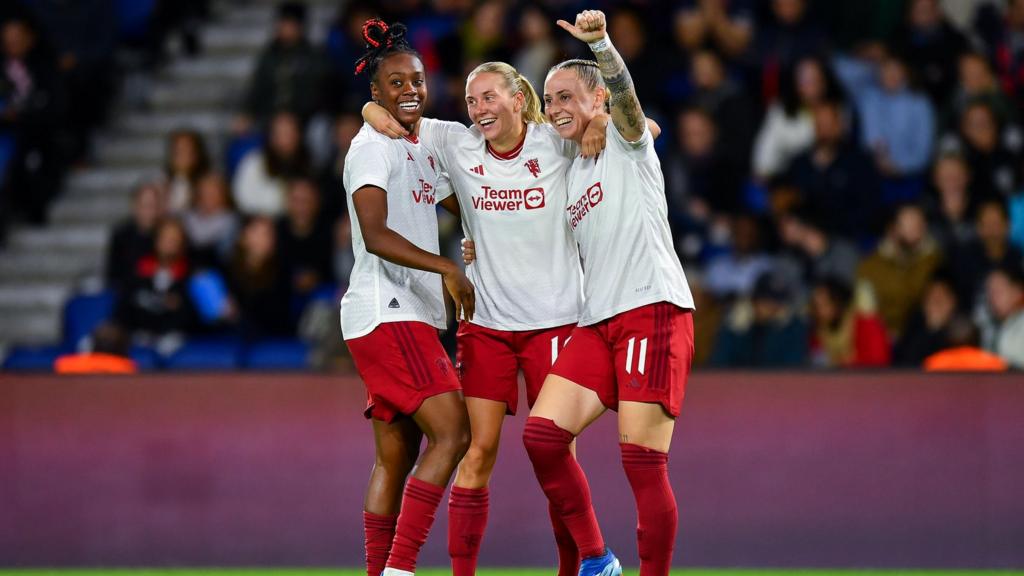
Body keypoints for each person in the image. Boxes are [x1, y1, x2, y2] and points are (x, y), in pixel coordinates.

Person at [362, 54, 649, 576]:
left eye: (489, 97)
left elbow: (643, 128)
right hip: (488, 324)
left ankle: (589, 562)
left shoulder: (555, 139)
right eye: (471, 101)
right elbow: (395, 112)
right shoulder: (458, 141)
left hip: (557, 321)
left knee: (554, 454)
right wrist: (368, 108)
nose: (478, 110)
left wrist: (602, 120)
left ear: (519, 100)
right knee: (476, 454)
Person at [520, 11, 695, 576]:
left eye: (566, 95)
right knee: (543, 437)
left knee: (642, 465)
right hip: (598, 322)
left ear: (597, 97)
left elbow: (628, 101)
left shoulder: (626, 139)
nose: (555, 109)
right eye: (549, 100)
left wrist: (601, 45)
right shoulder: (571, 167)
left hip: (652, 308)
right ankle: (598, 558)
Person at [342, 20, 473, 576]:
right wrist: (447, 264)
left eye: (416, 80)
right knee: (454, 432)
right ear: (375, 93)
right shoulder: (371, 147)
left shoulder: (419, 148)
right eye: (396, 83)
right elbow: (374, 234)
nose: (410, 91)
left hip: (403, 312)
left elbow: (462, 205)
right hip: (388, 310)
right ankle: (400, 569)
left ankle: (379, 573)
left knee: (393, 458)